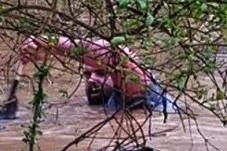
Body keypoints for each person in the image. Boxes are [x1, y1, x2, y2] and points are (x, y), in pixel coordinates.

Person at [19, 35, 179, 114]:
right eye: (87, 75)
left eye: (101, 73)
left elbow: (115, 55)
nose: (92, 80)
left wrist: (51, 43)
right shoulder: (102, 105)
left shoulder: (148, 92)